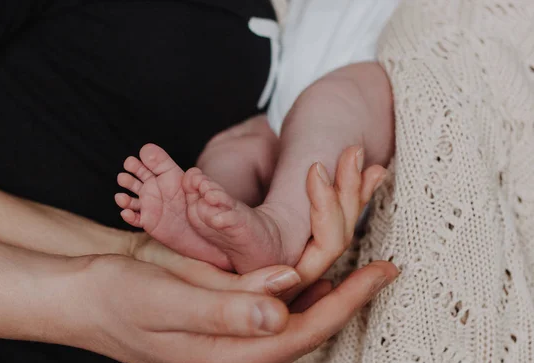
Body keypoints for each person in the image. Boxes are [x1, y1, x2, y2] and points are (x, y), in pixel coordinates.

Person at [0, 1, 397, 363]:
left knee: (236, 165)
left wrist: (128, 255)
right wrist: (101, 280)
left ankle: (261, 229)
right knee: (229, 164)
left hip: (200, 326)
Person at [115, 1, 399, 274]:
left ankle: (282, 226)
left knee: (331, 103)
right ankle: (208, 224)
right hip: (280, 109)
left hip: (363, 91)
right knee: (231, 148)